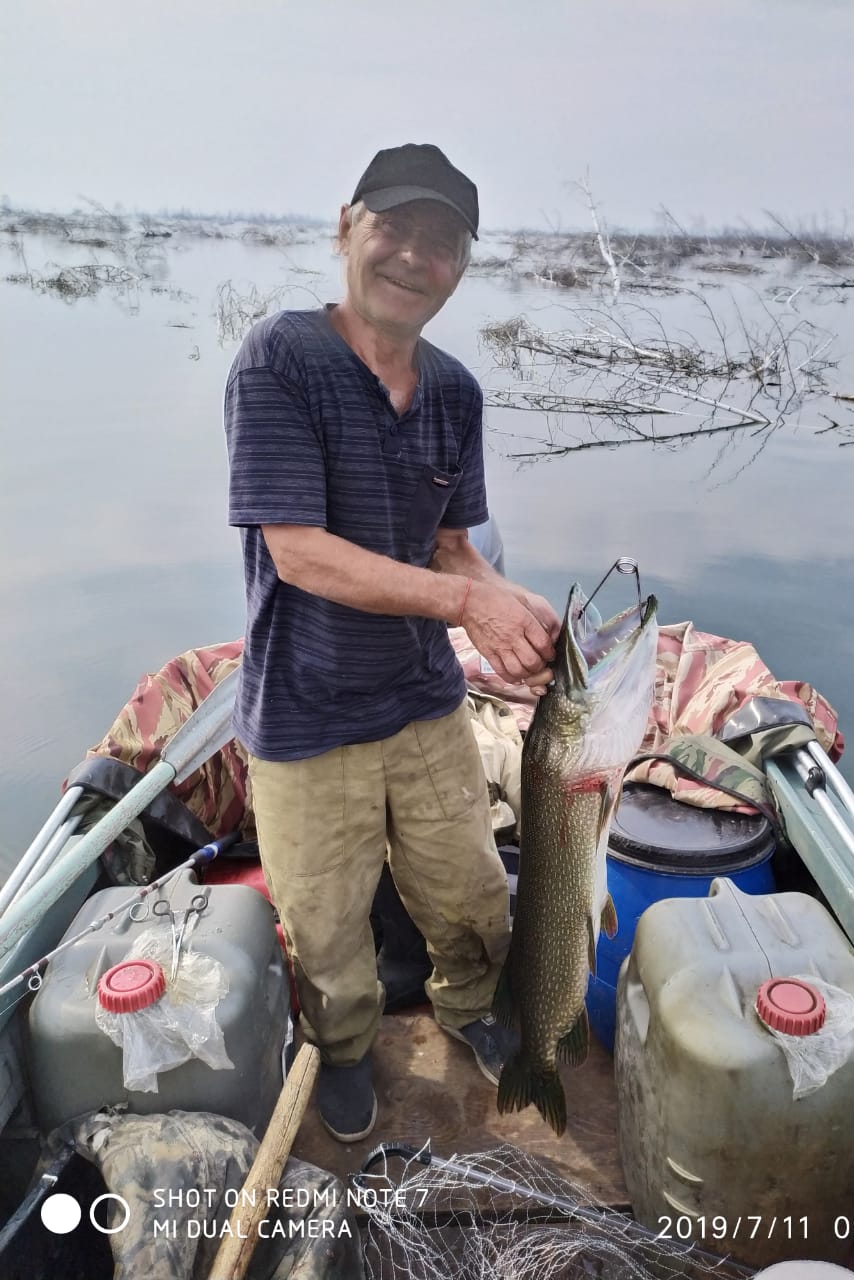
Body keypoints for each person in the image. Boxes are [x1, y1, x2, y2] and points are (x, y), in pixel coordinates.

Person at [223, 143, 560, 1143]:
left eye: (441, 242)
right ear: (346, 228)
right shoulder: (281, 357)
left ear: (461, 266)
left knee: (470, 890)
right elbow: (298, 554)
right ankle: (342, 1046)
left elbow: (454, 546)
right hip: (305, 710)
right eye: (394, 228)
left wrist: (514, 607)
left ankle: (471, 1008)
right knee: (325, 924)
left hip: (421, 699)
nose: (414, 256)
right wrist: (466, 608)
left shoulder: (456, 392)